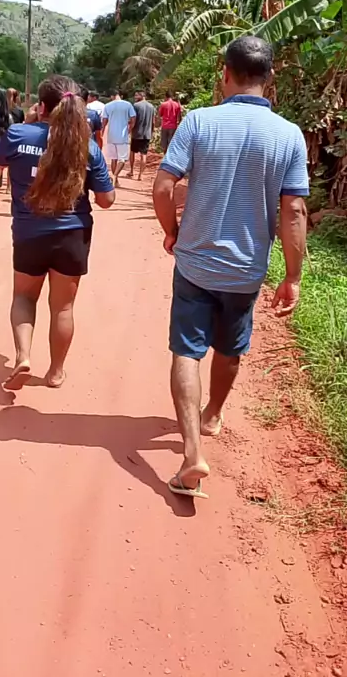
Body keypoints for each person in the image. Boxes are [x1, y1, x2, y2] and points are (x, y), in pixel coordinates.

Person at [152, 36, 309, 500]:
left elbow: (163, 187)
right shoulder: (289, 135)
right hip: (246, 269)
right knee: (230, 347)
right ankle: (214, 413)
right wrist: (293, 276)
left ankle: (191, 454)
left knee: (187, 351)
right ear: (270, 78)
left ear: (224, 74)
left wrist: (172, 231)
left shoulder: (199, 122)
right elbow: (294, 210)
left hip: (195, 264)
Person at [0, 74, 115, 390]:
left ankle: (23, 356)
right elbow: (106, 200)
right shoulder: (87, 147)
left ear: (41, 106)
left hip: (29, 233)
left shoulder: (19, 134)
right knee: (63, 308)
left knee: (24, 296)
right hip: (72, 235)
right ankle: (55, 372)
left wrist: (29, 124)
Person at [102, 90, 136, 187]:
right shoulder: (128, 105)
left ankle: (115, 181)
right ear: (120, 95)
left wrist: (102, 132)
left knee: (114, 159)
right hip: (122, 136)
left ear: (112, 96)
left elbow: (104, 121)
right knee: (122, 159)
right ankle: (115, 176)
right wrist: (130, 129)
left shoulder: (107, 106)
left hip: (111, 136)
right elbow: (133, 118)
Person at [128, 90, 155, 181]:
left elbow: (133, 119)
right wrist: (152, 131)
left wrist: (130, 129)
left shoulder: (136, 106)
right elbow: (153, 121)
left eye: (137, 95)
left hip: (136, 133)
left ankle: (131, 171)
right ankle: (140, 175)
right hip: (146, 134)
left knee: (132, 152)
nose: (135, 97)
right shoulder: (151, 106)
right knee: (144, 154)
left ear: (142, 96)